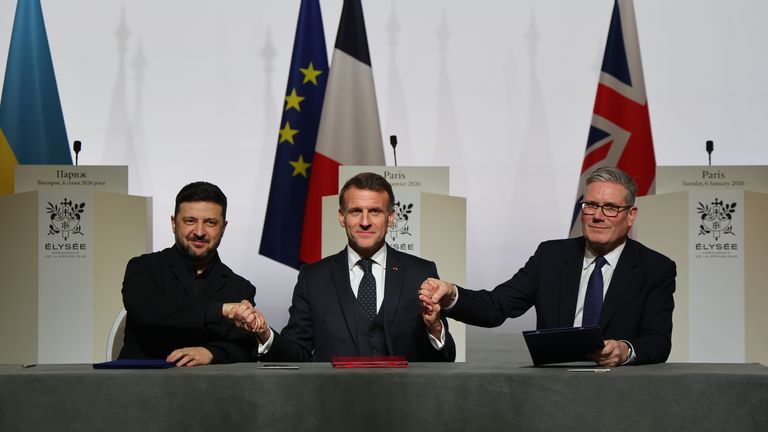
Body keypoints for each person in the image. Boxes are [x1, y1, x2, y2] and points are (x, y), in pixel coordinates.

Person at [420, 166, 675, 366]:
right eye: (591, 206)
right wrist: (453, 294)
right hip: (553, 389)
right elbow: (496, 306)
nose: (598, 215)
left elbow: (658, 341)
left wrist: (625, 350)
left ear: (631, 215)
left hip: (621, 391)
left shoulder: (655, 268)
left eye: (610, 208)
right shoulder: (551, 256)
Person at [233, 172, 456, 362]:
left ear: (391, 218)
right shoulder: (313, 278)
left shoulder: (421, 272)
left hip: (405, 406)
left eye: (375, 211)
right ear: (341, 217)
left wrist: (435, 328)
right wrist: (264, 334)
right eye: (355, 211)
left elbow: (446, 358)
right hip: (333, 406)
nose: (365, 221)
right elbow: (297, 352)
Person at [119, 181, 256, 366]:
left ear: (223, 228)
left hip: (211, 391)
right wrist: (220, 310)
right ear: (174, 223)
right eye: (190, 221)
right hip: (141, 386)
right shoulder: (143, 268)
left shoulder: (240, 288)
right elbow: (150, 312)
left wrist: (211, 353)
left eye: (210, 223)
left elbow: (245, 347)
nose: (199, 232)